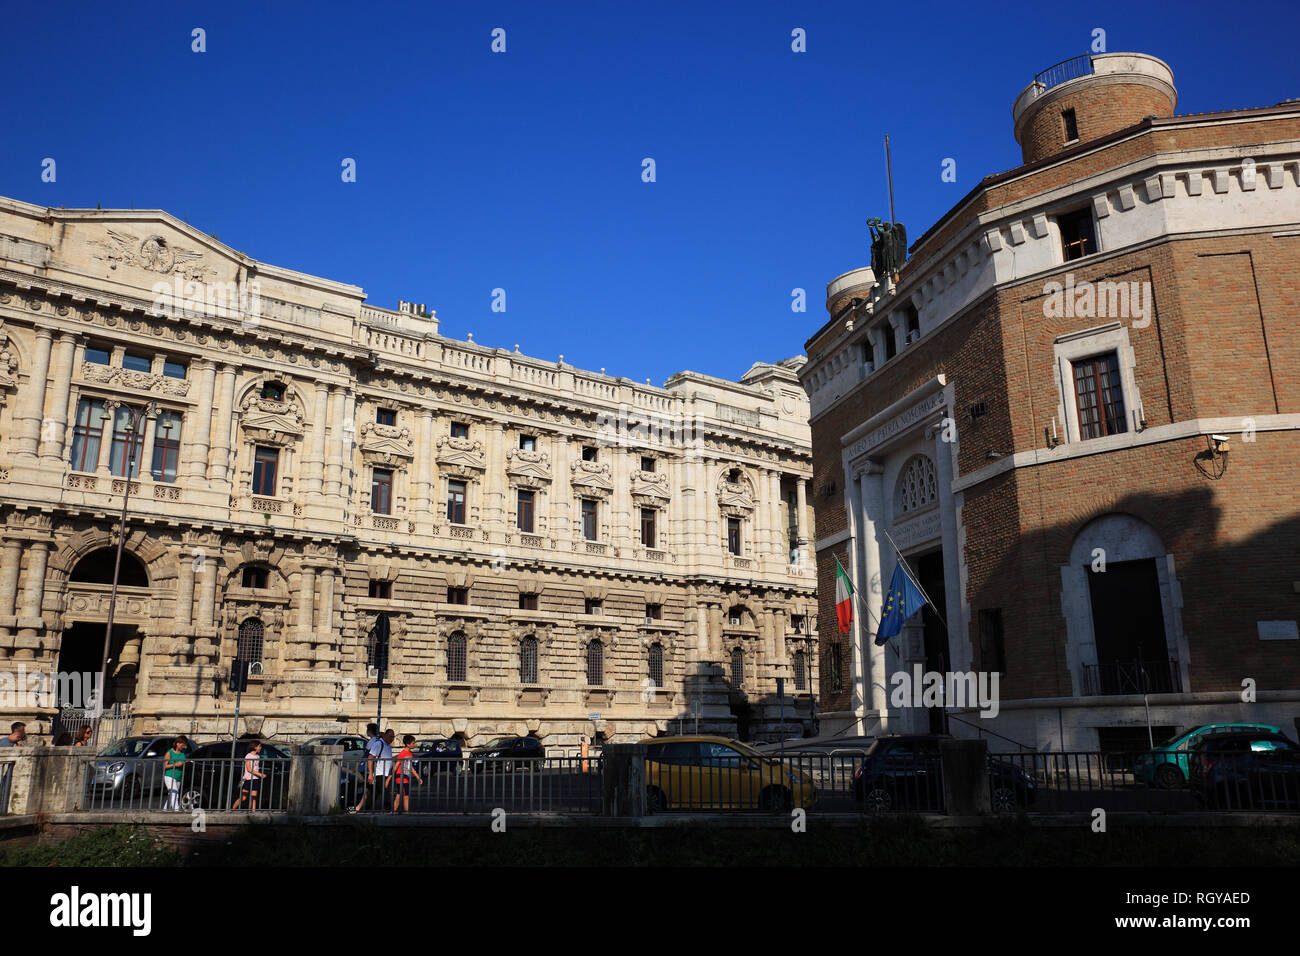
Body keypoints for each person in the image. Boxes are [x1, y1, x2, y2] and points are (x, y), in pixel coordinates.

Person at [349, 723, 382, 813]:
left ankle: (359, 807)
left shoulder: (372, 742)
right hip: (371, 768)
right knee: (371, 789)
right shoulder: (377, 741)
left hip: (367, 768)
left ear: (369, 731)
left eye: (367, 729)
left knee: (369, 789)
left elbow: (366, 756)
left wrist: (358, 765)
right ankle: (362, 807)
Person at [391, 734, 422, 814]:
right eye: (413, 743)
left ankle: (395, 812)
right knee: (404, 795)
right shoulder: (402, 754)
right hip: (401, 777)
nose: (415, 744)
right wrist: (390, 777)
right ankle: (402, 812)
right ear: (408, 745)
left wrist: (417, 777)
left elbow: (410, 767)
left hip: (406, 776)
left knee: (402, 794)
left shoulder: (410, 754)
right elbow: (396, 765)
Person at [231, 740, 265, 810]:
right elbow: (249, 769)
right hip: (248, 779)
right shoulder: (248, 756)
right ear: (255, 747)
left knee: (254, 798)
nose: (260, 748)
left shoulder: (258, 756)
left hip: (255, 779)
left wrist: (258, 775)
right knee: (243, 798)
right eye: (259, 746)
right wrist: (260, 774)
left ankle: (253, 813)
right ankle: (232, 809)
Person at [163, 735, 190, 811]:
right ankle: (176, 810)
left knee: (171, 795)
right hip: (169, 776)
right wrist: (175, 764)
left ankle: (165, 810)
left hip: (178, 777)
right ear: (178, 743)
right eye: (182, 745)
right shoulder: (170, 753)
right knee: (174, 793)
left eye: (184, 745)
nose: (183, 747)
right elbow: (165, 766)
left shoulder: (182, 754)